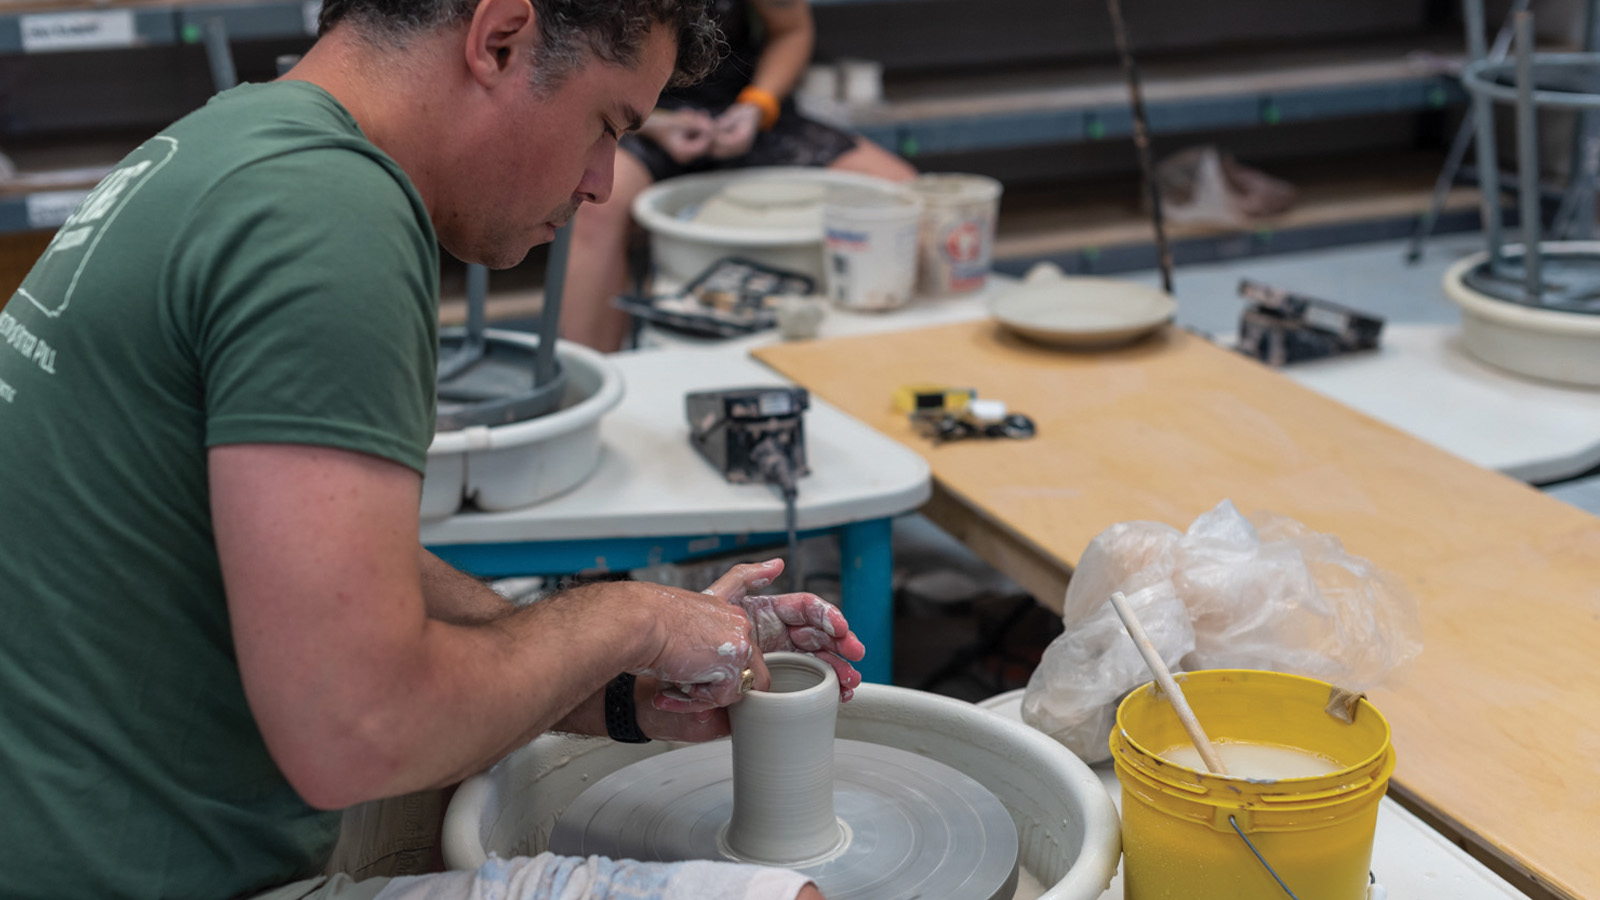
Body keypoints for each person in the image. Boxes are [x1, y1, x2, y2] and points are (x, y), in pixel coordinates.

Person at [0, 2, 866, 900]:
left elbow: (314, 569)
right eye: (606, 125)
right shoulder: (331, 216)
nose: (603, 181)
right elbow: (360, 732)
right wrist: (635, 620)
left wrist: (620, 685)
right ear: (499, 39)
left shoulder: (233, 143)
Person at [559, 0, 917, 352]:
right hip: (640, 116)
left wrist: (756, 107)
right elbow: (576, 59)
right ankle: (587, 382)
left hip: (741, 107)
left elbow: (791, 29)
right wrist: (651, 124)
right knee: (595, 207)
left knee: (900, 189)